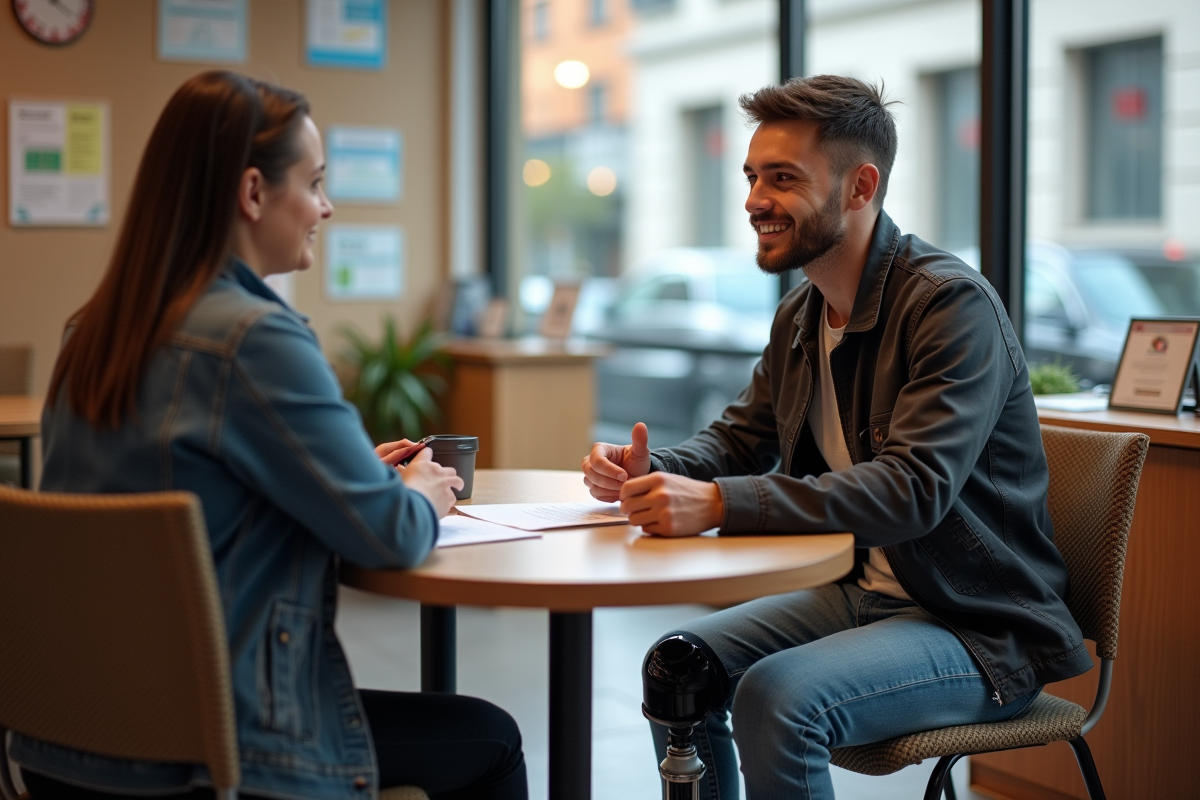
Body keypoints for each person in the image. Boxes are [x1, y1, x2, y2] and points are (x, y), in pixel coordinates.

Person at [11, 71, 527, 800]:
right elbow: (387, 535)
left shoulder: (90, 331)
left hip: (66, 746)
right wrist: (414, 490)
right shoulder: (256, 339)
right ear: (253, 193)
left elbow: (189, 489)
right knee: (491, 740)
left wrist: (344, 470)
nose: (326, 206)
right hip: (216, 752)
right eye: (313, 182)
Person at [582, 75, 1093, 800]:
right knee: (679, 664)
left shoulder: (948, 305)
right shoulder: (801, 314)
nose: (755, 198)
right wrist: (653, 469)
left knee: (778, 696)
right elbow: (737, 441)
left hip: (980, 626)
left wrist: (720, 505)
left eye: (783, 178)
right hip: (864, 595)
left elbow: (911, 492)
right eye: (753, 176)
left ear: (859, 187)